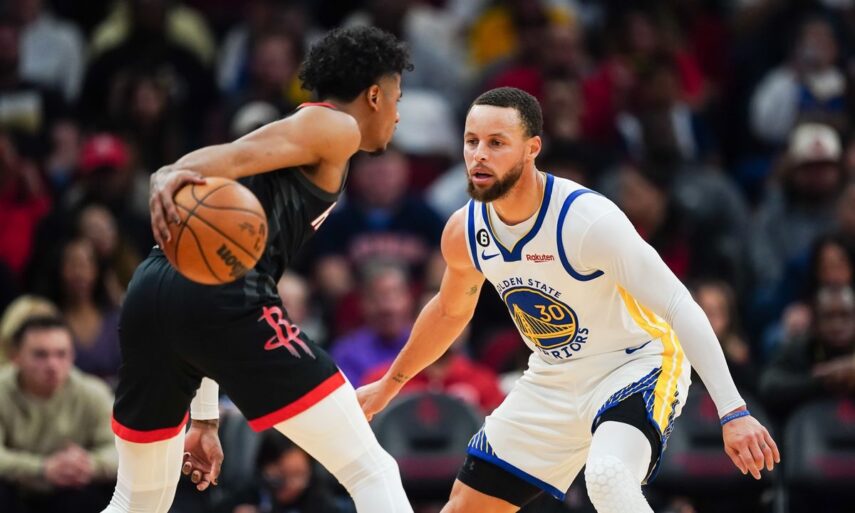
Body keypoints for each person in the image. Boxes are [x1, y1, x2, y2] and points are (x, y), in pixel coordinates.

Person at [358, 87, 779, 513]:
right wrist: (390, 384)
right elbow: (450, 311)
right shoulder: (464, 231)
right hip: (553, 374)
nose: (479, 155)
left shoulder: (587, 221)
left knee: (608, 478)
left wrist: (733, 411)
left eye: (496, 143)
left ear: (532, 149)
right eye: (472, 141)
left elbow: (679, 305)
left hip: (635, 365)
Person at [102, 26, 414, 513]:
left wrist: (205, 418)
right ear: (375, 95)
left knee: (138, 501)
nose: (397, 115)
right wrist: (171, 171)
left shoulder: (308, 137)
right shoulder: (335, 126)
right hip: (220, 293)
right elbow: (231, 157)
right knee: (371, 469)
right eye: (397, 99)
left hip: (155, 287)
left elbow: (206, 281)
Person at [0, 316, 117, 513]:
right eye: (40, 355)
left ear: (73, 356)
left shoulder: (92, 392)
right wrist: (42, 468)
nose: (52, 365)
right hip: (15, 492)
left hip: (72, 492)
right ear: (15, 357)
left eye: (61, 354)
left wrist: (90, 464)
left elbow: (121, 450)